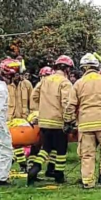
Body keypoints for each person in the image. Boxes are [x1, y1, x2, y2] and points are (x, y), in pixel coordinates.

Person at [63, 53, 101, 189]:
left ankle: (88, 182)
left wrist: (68, 121)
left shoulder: (79, 83)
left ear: (83, 68)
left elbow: (71, 105)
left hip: (85, 124)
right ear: (96, 67)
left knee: (87, 154)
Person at [27, 57, 73, 185]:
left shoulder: (45, 80)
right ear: (67, 69)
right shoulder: (65, 83)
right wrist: (69, 119)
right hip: (58, 121)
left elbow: (34, 96)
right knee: (61, 149)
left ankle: (35, 168)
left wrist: (38, 111)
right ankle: (59, 175)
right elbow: (66, 102)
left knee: (46, 147)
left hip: (44, 121)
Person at [8, 62, 34, 173]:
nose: (18, 77)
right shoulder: (5, 85)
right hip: (10, 119)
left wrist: (33, 115)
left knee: (24, 144)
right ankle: (22, 164)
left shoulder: (27, 85)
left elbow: (32, 102)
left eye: (19, 74)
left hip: (24, 119)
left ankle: (23, 164)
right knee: (15, 144)